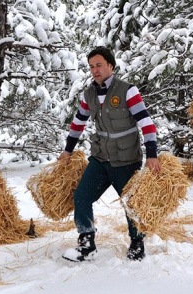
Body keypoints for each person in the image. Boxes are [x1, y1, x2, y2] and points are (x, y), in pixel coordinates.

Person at [59, 46, 161, 262]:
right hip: (100, 159)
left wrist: (152, 153)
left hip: (126, 160)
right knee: (82, 197)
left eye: (99, 65)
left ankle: (136, 242)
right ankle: (86, 242)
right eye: (91, 67)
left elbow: (146, 123)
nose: (95, 70)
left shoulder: (127, 91)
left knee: (130, 204)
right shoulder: (89, 94)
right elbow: (78, 123)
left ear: (110, 66)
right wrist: (68, 150)